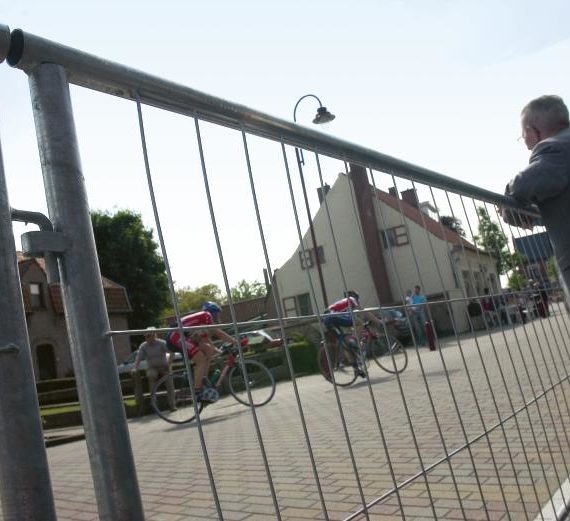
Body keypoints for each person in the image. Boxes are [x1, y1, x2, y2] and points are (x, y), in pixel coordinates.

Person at [503, 95, 570, 302]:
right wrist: (534, 218)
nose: (526, 145)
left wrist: (509, 209)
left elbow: (521, 186)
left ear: (533, 132)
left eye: (524, 136)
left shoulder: (553, 148)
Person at [167, 302, 235, 403]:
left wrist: (220, 351)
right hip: (175, 336)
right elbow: (218, 333)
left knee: (208, 350)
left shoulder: (201, 322)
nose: (217, 317)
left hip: (178, 335)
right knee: (201, 360)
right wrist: (234, 341)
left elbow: (207, 342)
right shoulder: (206, 315)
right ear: (213, 313)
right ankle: (197, 391)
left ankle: (203, 380)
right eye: (217, 314)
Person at [322, 290, 382, 377]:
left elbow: (349, 320)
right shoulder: (351, 299)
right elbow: (363, 311)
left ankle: (356, 369)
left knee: (346, 344)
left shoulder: (344, 306)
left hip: (326, 319)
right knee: (359, 323)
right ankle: (354, 341)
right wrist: (377, 321)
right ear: (355, 297)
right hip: (333, 316)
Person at [132, 327, 175, 413]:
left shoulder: (162, 343)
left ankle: (172, 405)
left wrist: (169, 364)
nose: (146, 338)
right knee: (151, 376)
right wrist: (135, 368)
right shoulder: (143, 346)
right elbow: (138, 358)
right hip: (152, 368)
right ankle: (154, 405)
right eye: (145, 336)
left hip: (164, 367)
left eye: (148, 336)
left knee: (169, 381)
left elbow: (171, 352)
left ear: (154, 335)